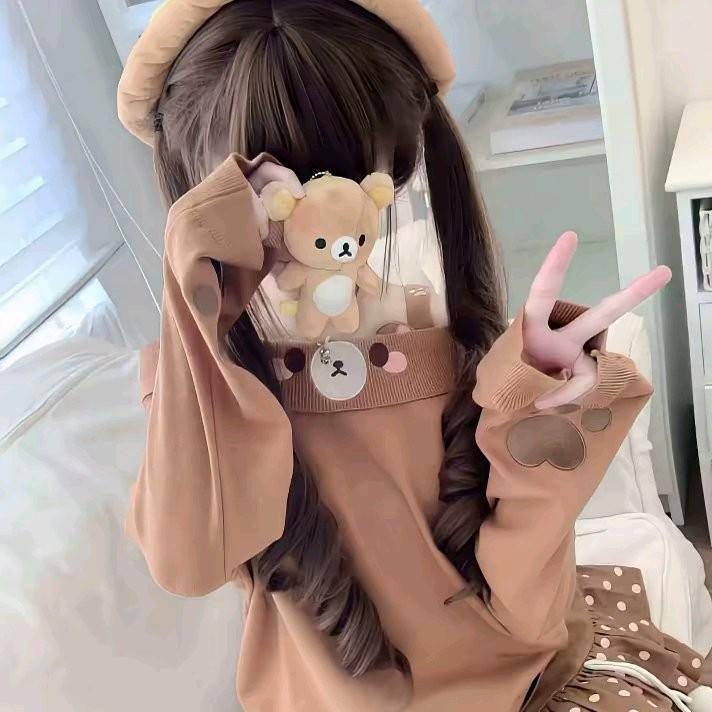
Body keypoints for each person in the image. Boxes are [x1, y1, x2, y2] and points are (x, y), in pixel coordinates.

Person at [118, 1, 710, 709]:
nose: (309, 217)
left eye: (337, 183)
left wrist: (538, 397)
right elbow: (186, 562)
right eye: (273, 196)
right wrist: (194, 298)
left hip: (519, 688)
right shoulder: (203, 390)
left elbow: (526, 612)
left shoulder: (437, 344)